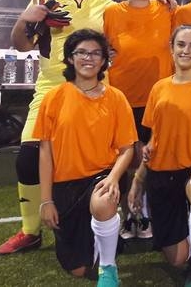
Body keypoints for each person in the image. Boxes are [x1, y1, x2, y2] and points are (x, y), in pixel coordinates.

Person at [0, 0, 116, 255]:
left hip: (93, 93)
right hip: (51, 89)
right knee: (28, 159)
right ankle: (30, 231)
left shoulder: (106, 6)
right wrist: (24, 19)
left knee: (96, 161)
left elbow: (136, 17)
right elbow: (21, 44)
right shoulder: (45, 0)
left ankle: (98, 223)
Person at [129, 25, 191, 287]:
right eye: (181, 44)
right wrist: (139, 179)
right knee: (176, 258)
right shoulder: (158, 88)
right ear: (171, 49)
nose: (186, 50)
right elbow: (154, 140)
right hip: (161, 172)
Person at [37, 29, 136, 286]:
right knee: (78, 269)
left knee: (104, 199)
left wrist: (113, 178)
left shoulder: (116, 98)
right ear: (70, 58)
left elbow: (127, 149)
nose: (88, 58)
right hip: (66, 186)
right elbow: (45, 152)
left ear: (104, 61)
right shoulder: (53, 98)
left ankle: (108, 268)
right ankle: (105, 238)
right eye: (81, 52)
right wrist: (46, 200)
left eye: (95, 53)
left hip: (102, 176)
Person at [103, 0, 174, 239]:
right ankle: (127, 215)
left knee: (151, 157)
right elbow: (101, 46)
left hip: (157, 98)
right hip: (122, 98)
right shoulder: (112, 12)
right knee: (125, 159)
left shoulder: (166, 10)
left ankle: (145, 215)